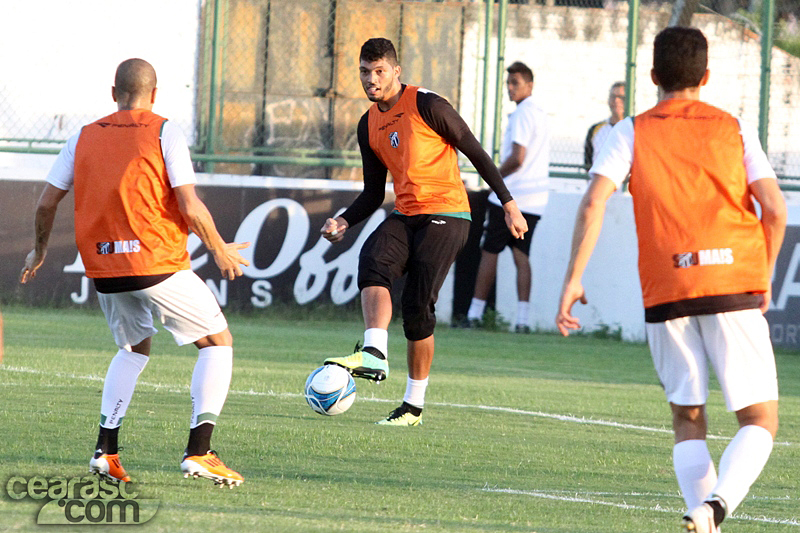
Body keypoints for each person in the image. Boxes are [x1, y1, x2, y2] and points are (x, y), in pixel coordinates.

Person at [556, 27, 785, 533]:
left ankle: (706, 520)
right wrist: (763, 276)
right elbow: (774, 209)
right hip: (735, 283)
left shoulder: (631, 131)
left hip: (667, 289)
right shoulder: (736, 127)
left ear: (654, 76)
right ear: (706, 76)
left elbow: (594, 201)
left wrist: (573, 279)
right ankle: (716, 507)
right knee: (760, 420)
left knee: (689, 416)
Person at [20, 58, 250, 487]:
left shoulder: (82, 136)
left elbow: (45, 204)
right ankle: (200, 452)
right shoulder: (165, 130)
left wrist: (39, 251)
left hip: (106, 270)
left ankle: (106, 451)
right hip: (156, 264)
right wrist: (219, 249)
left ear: (113, 93)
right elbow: (189, 205)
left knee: (133, 351)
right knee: (218, 343)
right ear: (156, 94)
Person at [321, 38, 528, 426]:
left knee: (417, 308)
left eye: (379, 71)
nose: (372, 79)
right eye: (365, 72)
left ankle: (413, 406)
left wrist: (509, 204)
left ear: (396, 71)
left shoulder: (427, 104)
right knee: (373, 259)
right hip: (407, 212)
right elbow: (371, 191)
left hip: (448, 214)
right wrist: (344, 221)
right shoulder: (369, 123)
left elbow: (476, 151)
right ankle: (374, 354)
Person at [464, 61, 549, 333]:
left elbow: (518, 157)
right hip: (536, 200)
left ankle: (474, 314)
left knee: (490, 251)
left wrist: (494, 180)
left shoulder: (523, 113)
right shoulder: (540, 113)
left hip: (512, 197)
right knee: (522, 255)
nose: (511, 88)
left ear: (530, 85)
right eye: (508, 83)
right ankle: (522, 320)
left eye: (516, 83)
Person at [583, 81, 626, 169]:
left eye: (621, 97)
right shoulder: (595, 129)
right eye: (613, 96)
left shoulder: (635, 129)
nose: (616, 101)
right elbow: (588, 161)